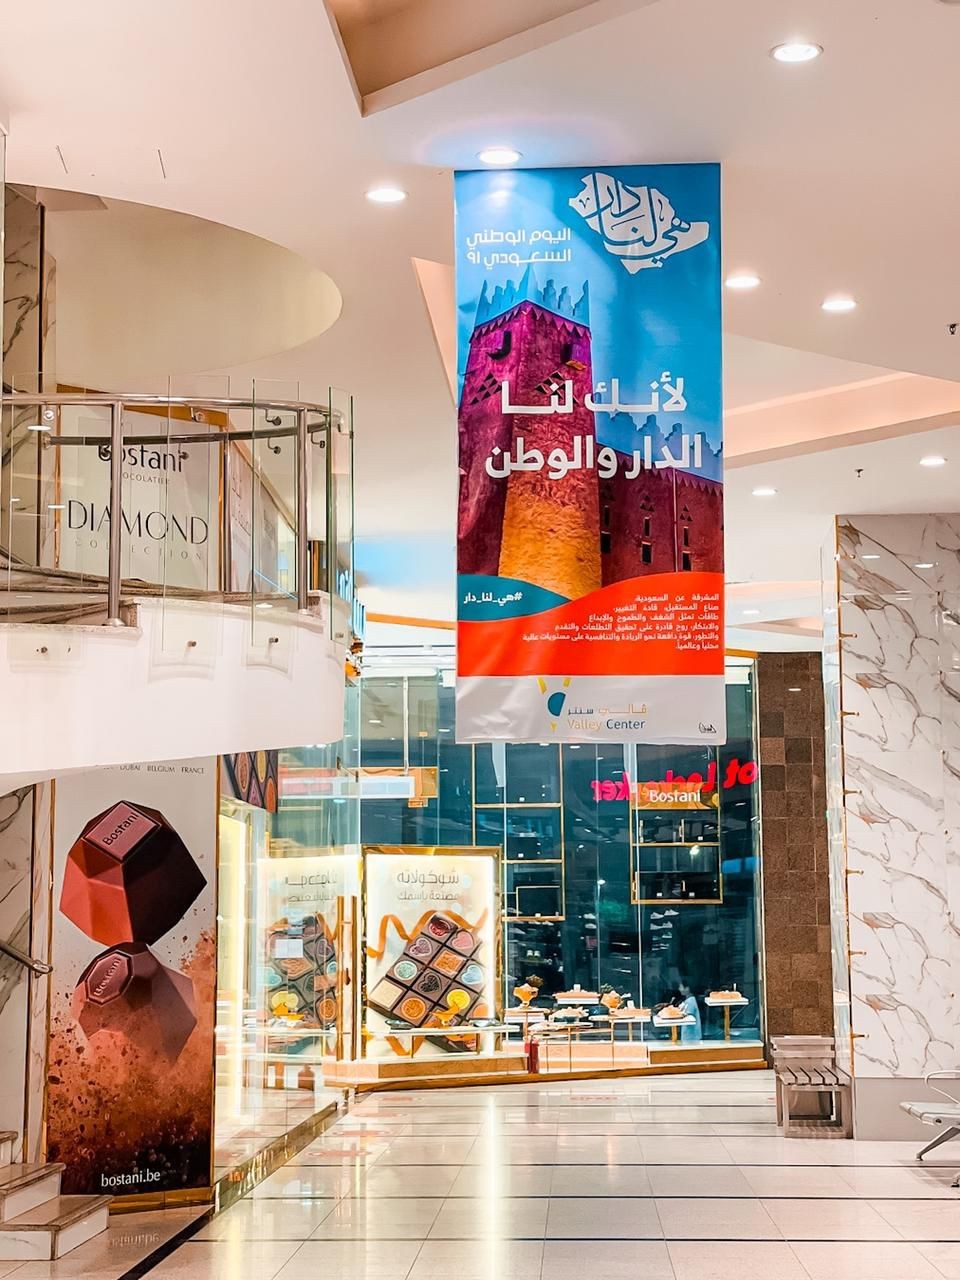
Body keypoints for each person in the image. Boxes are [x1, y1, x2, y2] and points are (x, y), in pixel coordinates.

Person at [677, 978, 702, 1043]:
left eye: (681, 987)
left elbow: (687, 1017)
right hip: (689, 1035)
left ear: (687, 988)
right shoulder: (689, 1000)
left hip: (691, 1036)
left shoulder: (690, 1001)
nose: (679, 989)